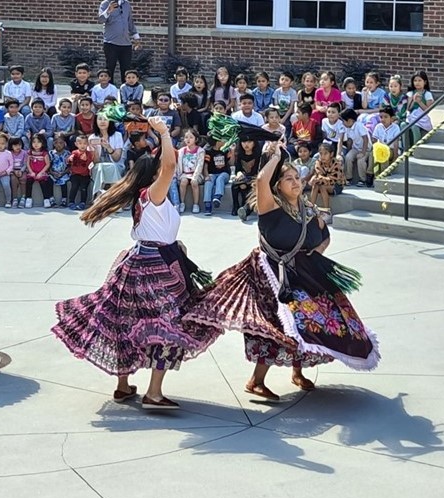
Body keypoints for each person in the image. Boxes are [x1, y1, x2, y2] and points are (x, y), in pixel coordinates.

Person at [182, 140, 379, 401]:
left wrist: (314, 255)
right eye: (289, 179)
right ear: (278, 185)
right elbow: (262, 180)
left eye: (298, 177)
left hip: (305, 273)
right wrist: (275, 156)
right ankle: (256, 381)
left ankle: (297, 372)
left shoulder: (307, 208)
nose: (296, 182)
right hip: (270, 276)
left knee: (310, 323)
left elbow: (324, 237)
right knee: (277, 327)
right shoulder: (270, 207)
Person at [52, 116, 218, 409]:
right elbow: (169, 165)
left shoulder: (146, 197)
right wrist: (165, 133)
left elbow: (165, 168)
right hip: (155, 268)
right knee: (168, 324)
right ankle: (153, 393)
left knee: (126, 320)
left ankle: (123, 386)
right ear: (155, 176)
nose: (166, 171)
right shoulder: (153, 194)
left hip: (141, 260)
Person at [99, 0, 139, 84]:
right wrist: (109, 10)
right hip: (111, 43)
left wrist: (136, 37)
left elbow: (130, 21)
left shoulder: (126, 4)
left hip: (126, 44)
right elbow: (101, 19)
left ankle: (126, 91)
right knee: (110, 69)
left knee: (126, 70)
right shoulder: (105, 3)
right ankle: (109, 93)